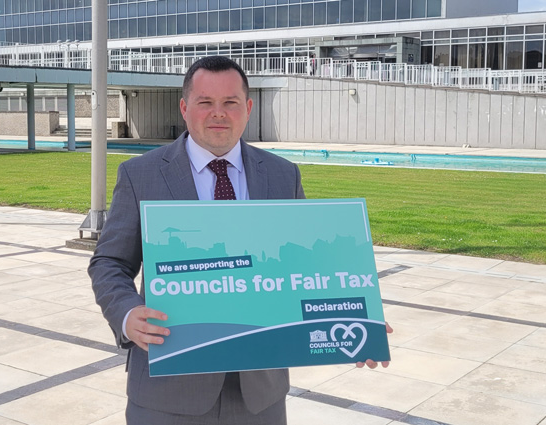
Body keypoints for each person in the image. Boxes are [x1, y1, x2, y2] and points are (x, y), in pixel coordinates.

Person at [88, 55, 390, 425]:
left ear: (247, 108)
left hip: (258, 395)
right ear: (185, 108)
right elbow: (110, 262)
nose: (219, 113)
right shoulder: (141, 175)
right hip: (168, 390)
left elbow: (306, 267)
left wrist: (354, 319)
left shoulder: (282, 176)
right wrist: (126, 313)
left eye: (230, 102)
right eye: (205, 102)